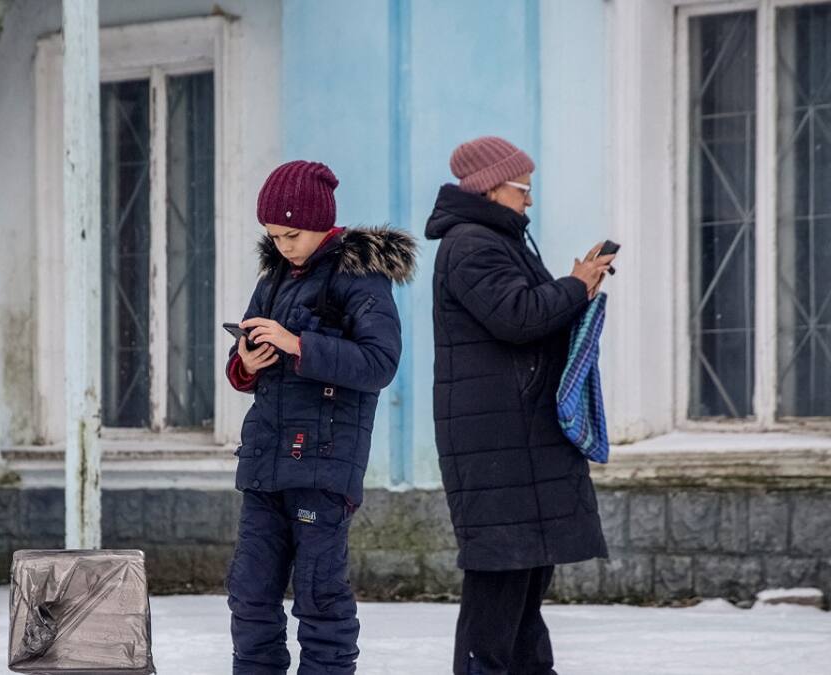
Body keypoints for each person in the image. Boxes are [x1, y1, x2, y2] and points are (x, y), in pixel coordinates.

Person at [425, 136, 614, 674]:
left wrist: (578, 288)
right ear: (490, 188)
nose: (529, 200)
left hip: (517, 440)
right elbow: (518, 316)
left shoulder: (495, 241)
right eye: (522, 189)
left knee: (525, 584)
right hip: (499, 448)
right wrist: (575, 286)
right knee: (499, 588)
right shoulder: (471, 244)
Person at [224, 160, 417, 674]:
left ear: (322, 223)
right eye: (273, 235)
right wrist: (246, 361)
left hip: (325, 464)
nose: (284, 245)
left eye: (292, 233)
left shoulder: (361, 279)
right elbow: (244, 369)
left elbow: (380, 363)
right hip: (266, 465)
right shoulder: (274, 278)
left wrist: (296, 344)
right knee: (249, 597)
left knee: (319, 600)